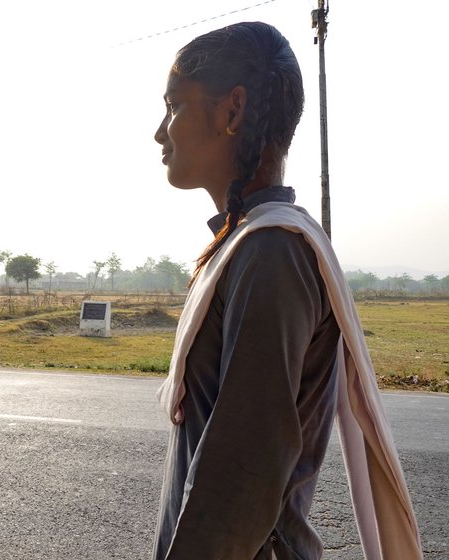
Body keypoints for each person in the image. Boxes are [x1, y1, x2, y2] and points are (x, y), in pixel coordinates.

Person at [151, 22, 422, 559]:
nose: (161, 132)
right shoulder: (252, 243)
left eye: (174, 106)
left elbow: (243, 475)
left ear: (232, 111)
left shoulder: (271, 251)